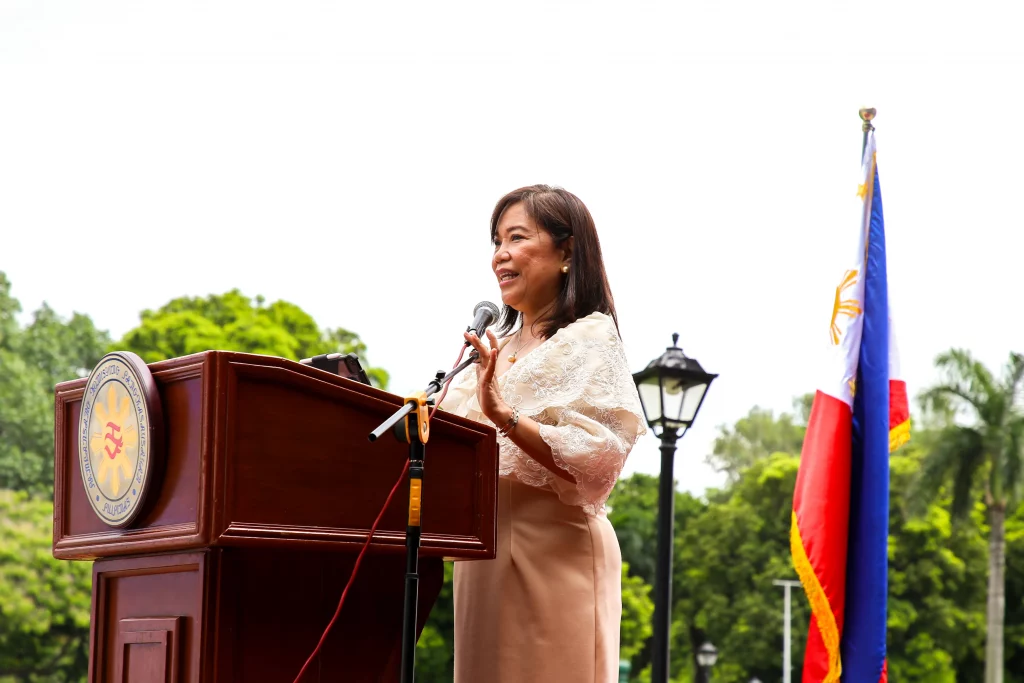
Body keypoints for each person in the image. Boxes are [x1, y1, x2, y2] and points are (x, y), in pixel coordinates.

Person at [439, 184, 646, 682]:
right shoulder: (491, 350)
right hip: (481, 562)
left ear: (567, 251)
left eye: (516, 238)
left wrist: (502, 413)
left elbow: (597, 463)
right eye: (495, 241)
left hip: (557, 555)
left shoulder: (588, 339)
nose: (500, 255)